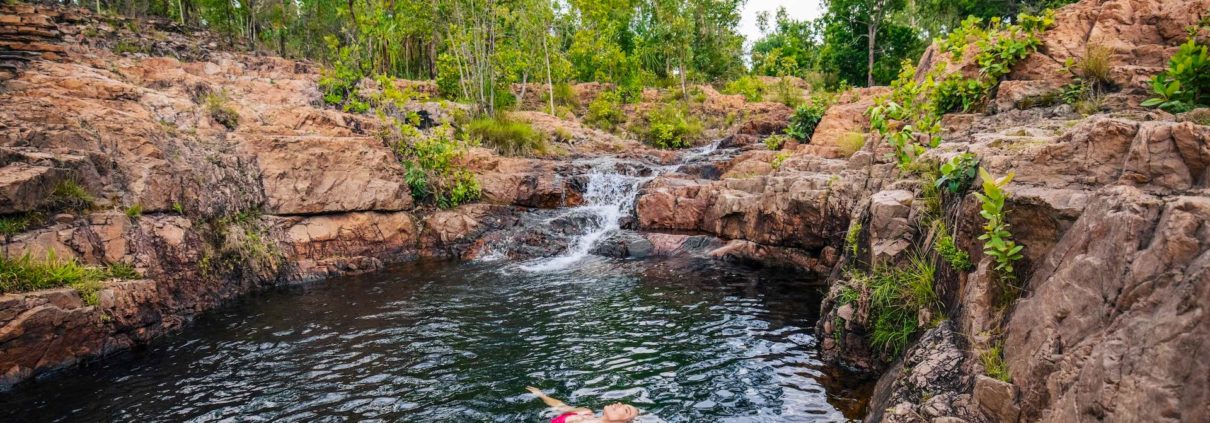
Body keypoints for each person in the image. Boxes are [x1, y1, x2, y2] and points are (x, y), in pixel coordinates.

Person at [526, 386, 640, 423]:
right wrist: (541, 395)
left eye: (626, 410)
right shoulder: (586, 412)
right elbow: (560, 406)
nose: (620, 403)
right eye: (623, 403)